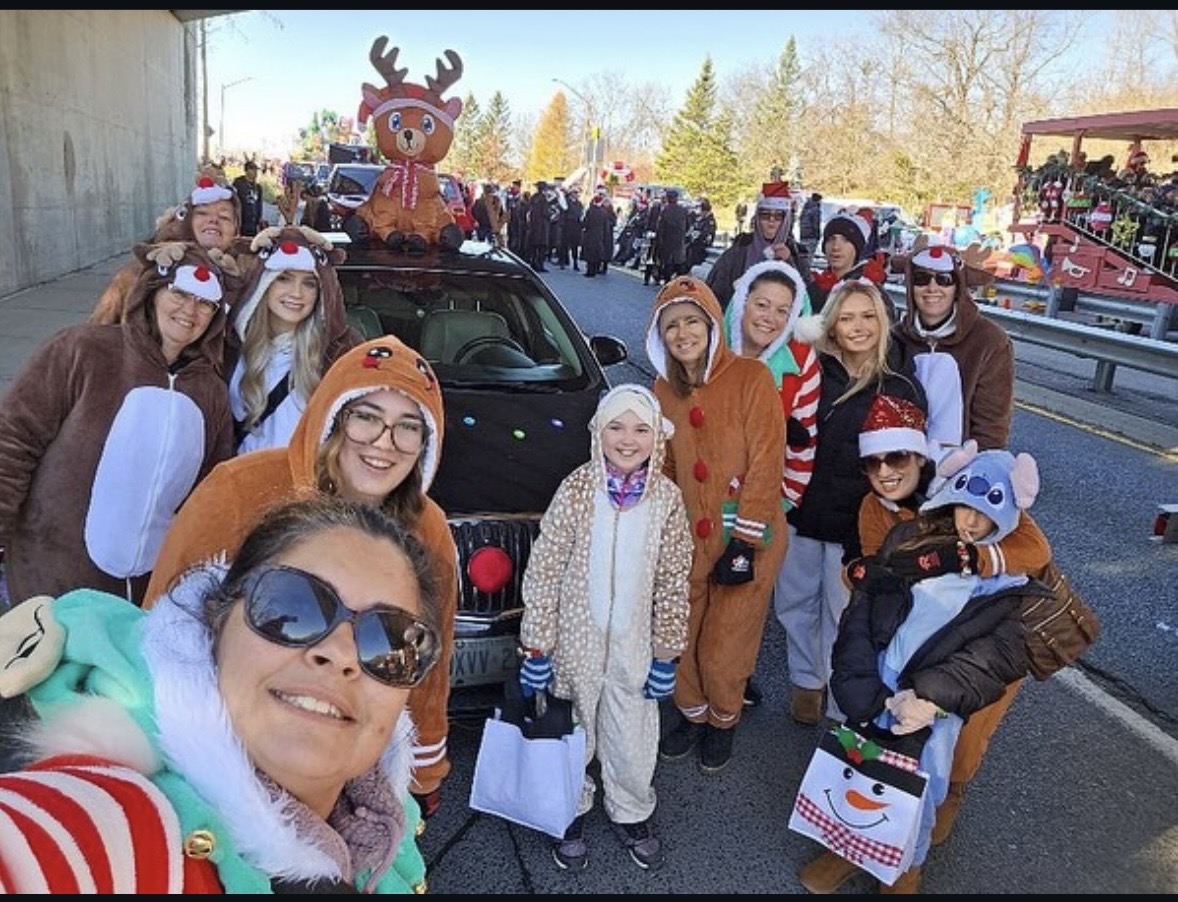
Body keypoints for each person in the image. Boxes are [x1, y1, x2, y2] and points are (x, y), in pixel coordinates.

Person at [0, 495, 439, 892]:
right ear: (216, 625)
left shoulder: (381, 833)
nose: (340, 653)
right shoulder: (114, 822)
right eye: (291, 606)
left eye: (391, 640)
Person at [142, 335, 459, 819]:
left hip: (341, 763)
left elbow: (427, 656)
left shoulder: (428, 528)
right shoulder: (239, 490)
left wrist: (425, 764)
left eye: (407, 427)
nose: (383, 442)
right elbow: (161, 622)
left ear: (426, 444)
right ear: (334, 416)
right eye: (367, 416)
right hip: (215, 749)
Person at [797, 398, 1053, 894]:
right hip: (895, 670)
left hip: (947, 684)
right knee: (866, 757)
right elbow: (870, 600)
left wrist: (971, 557)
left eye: (898, 459)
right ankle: (848, 847)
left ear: (924, 460)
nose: (885, 471)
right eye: (873, 461)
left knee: (935, 773)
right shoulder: (891, 520)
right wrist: (864, 684)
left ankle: (903, 865)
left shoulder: (1000, 548)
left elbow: (1029, 554)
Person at [517, 384, 692, 873]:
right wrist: (537, 644)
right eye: (616, 426)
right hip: (575, 643)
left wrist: (666, 651)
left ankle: (631, 809)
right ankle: (567, 809)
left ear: (657, 437)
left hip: (635, 648)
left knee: (632, 734)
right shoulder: (576, 489)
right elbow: (546, 567)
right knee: (570, 730)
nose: (628, 438)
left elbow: (674, 578)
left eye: (641, 428)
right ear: (598, 432)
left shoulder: (667, 501)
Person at [0, 244, 233, 608]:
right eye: (181, 293)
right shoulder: (82, 351)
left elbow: (209, 491)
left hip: (143, 597)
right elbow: (12, 440)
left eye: (205, 303)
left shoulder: (212, 393)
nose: (190, 310)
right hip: (49, 583)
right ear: (153, 293)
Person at [645, 275, 788, 773]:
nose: (682, 333)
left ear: (711, 325)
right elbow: (661, 465)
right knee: (680, 635)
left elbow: (769, 462)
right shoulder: (662, 390)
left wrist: (745, 541)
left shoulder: (751, 378)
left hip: (747, 535)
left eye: (691, 321)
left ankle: (723, 719)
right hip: (687, 537)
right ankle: (692, 712)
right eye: (671, 327)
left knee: (726, 645)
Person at [774, 279, 926, 726]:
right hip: (801, 513)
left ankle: (843, 707)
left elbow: (909, 467)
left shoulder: (900, 387)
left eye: (867, 316)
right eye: (846, 318)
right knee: (794, 605)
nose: (858, 327)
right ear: (832, 327)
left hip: (855, 530)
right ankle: (806, 683)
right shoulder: (811, 374)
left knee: (846, 619)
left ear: (882, 322)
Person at [723, 260, 822, 707]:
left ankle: (731, 685)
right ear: (742, 302)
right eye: (761, 304)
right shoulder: (710, 349)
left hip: (765, 504)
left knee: (746, 607)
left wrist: (781, 505)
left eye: (783, 310)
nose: (769, 317)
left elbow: (804, 443)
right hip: (703, 502)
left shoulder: (801, 363)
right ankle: (688, 689)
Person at [227, 225, 360, 454]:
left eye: (309, 283)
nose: (296, 293)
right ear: (264, 284)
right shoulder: (228, 346)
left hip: (304, 487)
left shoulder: (338, 353)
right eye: (284, 278)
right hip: (236, 485)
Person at [893, 243, 1015, 457]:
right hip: (902, 465)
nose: (932, 288)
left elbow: (991, 427)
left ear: (957, 287)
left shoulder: (990, 342)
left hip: (959, 469)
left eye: (944, 279)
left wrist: (969, 473)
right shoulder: (894, 338)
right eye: (921, 279)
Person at [89, 170, 244, 325]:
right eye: (203, 213)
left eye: (224, 217)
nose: (213, 220)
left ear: (236, 230)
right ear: (187, 222)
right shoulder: (138, 273)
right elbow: (97, 329)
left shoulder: (246, 275)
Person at [706, 181, 811, 309]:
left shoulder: (797, 254)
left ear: (786, 220)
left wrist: (789, 263)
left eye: (778, 216)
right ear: (757, 218)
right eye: (765, 215)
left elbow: (804, 301)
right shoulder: (738, 251)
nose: (771, 222)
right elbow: (714, 293)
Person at [807, 207, 888, 314]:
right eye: (831, 239)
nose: (836, 247)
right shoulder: (815, 288)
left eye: (846, 240)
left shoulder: (870, 291)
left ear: (857, 248)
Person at [653, 188, 689, 285]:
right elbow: (688, 225)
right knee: (679, 261)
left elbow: (660, 228)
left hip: (667, 241)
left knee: (667, 262)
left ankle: (667, 281)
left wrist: (659, 241)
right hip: (679, 241)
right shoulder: (683, 211)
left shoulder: (665, 211)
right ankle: (679, 281)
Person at [233, 158, 265, 237]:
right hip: (241, 220)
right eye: (252, 169)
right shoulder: (239, 183)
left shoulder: (258, 187)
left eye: (256, 170)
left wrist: (259, 220)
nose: (255, 172)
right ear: (247, 170)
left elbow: (259, 205)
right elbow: (234, 200)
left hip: (253, 223)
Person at [798, 192, 823, 258]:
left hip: (803, 235)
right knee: (810, 255)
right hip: (811, 236)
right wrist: (818, 235)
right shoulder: (815, 210)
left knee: (804, 256)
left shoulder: (805, 208)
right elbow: (816, 224)